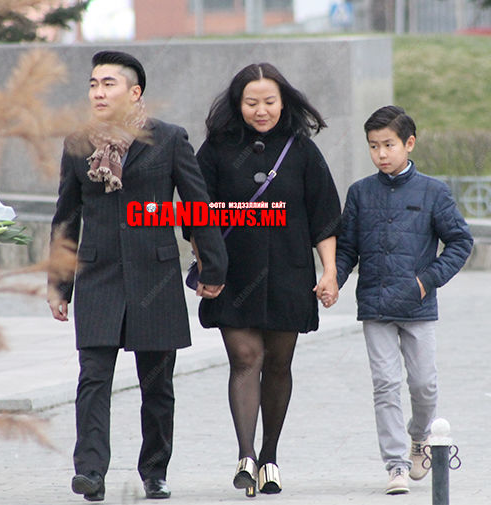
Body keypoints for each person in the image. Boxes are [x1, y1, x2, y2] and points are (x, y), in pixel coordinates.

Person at [47, 51, 227, 502]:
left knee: (157, 384)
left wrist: (213, 266)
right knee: (93, 379)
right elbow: (66, 218)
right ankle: (90, 472)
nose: (98, 92)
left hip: (155, 275)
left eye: (108, 83)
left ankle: (155, 471)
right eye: (93, 84)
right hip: (98, 275)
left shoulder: (168, 139)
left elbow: (198, 207)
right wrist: (58, 284)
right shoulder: (78, 143)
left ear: (134, 92)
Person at [194, 62, 341, 497]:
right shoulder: (217, 149)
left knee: (278, 364)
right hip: (233, 274)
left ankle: (269, 457)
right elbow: (196, 214)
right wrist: (206, 265)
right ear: (237, 104)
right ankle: (246, 455)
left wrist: (330, 271)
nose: (261, 110)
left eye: (269, 102)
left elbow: (324, 216)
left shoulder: (302, 150)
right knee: (245, 358)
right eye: (251, 102)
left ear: (284, 102)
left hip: (288, 273)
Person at [334, 105, 473, 495]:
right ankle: (395, 464)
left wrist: (427, 281)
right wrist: (334, 280)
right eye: (373, 146)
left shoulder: (433, 192)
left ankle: (419, 436)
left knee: (424, 385)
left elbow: (461, 242)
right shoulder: (360, 193)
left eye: (389, 145)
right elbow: (347, 249)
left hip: (418, 306)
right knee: (385, 384)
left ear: (409, 143)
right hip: (375, 305)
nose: (381, 153)